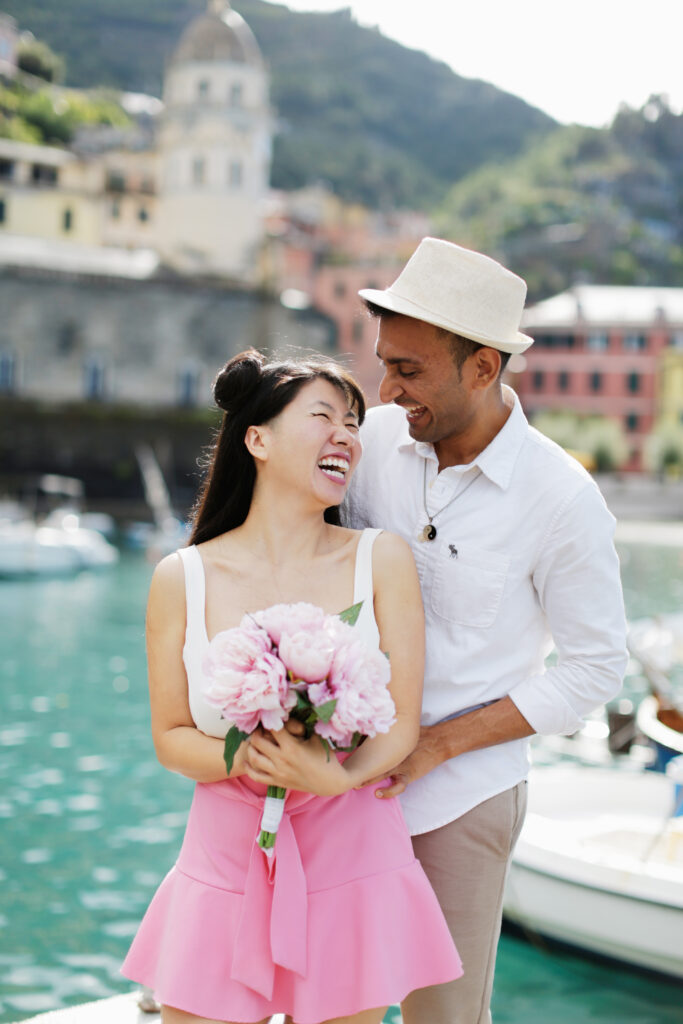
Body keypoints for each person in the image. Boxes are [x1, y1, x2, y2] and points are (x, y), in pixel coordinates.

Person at [121, 349, 462, 1024]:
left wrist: (335, 776)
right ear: (258, 439)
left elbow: (400, 723)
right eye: (323, 416)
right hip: (223, 862)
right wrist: (249, 758)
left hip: (352, 855)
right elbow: (170, 737)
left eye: (354, 423)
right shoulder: (180, 577)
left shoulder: (380, 558)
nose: (347, 434)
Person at [342, 237, 628, 1024]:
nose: (387, 388)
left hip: (462, 797)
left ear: (482, 367)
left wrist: (435, 745)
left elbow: (596, 669)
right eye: (384, 363)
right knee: (336, 1005)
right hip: (341, 788)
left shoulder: (562, 499)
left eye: (409, 370)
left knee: (444, 1018)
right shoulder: (366, 443)